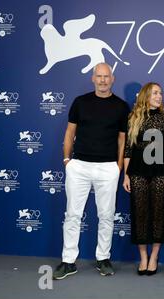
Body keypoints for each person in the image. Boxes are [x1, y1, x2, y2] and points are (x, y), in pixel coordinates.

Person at [53, 62, 130, 280]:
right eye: (99, 76)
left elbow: (122, 139)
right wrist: (67, 160)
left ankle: (103, 258)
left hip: (108, 168)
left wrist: (118, 167)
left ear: (112, 79)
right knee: (72, 215)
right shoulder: (80, 102)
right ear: (93, 78)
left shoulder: (121, 106)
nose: (103, 80)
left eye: (107, 76)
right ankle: (68, 261)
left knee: (106, 216)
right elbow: (70, 132)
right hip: (79, 167)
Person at [122, 82, 164, 276]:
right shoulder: (133, 118)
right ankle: (143, 257)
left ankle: (154, 256)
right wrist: (126, 174)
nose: (159, 96)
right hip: (137, 172)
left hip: (160, 172)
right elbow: (128, 149)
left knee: (159, 213)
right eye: (154, 93)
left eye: (160, 93)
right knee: (139, 214)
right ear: (145, 96)